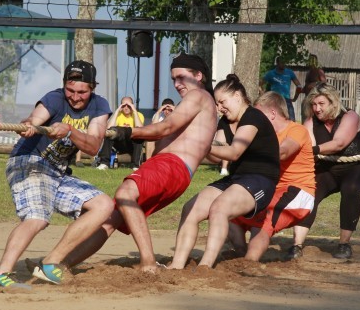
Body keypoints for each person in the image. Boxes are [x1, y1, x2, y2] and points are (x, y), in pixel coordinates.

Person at [26, 52, 218, 279]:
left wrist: (127, 132)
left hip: (172, 165)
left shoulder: (198, 95)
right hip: (172, 171)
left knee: (125, 193)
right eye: (173, 79)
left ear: (198, 76)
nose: (176, 84)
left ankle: (149, 263)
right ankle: (61, 265)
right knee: (111, 219)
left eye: (181, 77)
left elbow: (164, 128)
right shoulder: (200, 103)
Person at [0, 60, 115, 291]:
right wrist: (30, 125)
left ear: (93, 88)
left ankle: (50, 262)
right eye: (70, 90)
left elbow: (94, 146)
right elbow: (35, 119)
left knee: (104, 206)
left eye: (82, 92)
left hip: (57, 172)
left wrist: (70, 131)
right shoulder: (54, 98)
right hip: (30, 162)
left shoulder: (99, 106)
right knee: (37, 217)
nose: (75, 97)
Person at [169, 74, 280, 269]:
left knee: (219, 208)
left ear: (237, 96)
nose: (219, 108)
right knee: (190, 208)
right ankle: (177, 265)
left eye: (222, 102)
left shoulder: (253, 117)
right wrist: (192, 143)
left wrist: (203, 145)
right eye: (217, 104)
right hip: (236, 179)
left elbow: (234, 152)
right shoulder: (225, 122)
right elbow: (217, 154)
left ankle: (205, 266)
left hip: (261, 180)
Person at [227, 91, 316, 261]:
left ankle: (249, 262)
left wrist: (250, 151)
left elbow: (283, 152)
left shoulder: (297, 130)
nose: (256, 120)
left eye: (259, 115)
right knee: (231, 213)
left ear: (273, 113)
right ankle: (240, 256)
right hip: (272, 190)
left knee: (264, 222)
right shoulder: (265, 135)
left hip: (298, 191)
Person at [296, 83, 360, 260]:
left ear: (333, 102)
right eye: (314, 104)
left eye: (321, 104)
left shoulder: (350, 117)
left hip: (356, 168)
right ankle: (296, 244)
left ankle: (344, 244)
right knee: (308, 192)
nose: (317, 109)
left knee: (351, 189)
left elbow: (339, 143)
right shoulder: (310, 122)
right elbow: (309, 146)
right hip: (327, 169)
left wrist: (313, 150)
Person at [96, 96, 144, 170]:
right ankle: (104, 163)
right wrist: (117, 111)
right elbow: (109, 128)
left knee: (139, 136)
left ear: (132, 105)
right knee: (110, 133)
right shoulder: (118, 115)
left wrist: (134, 110)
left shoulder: (138, 115)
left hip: (132, 144)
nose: (126, 108)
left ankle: (136, 166)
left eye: (129, 105)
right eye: (124, 105)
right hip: (118, 144)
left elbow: (140, 128)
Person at [262, 57, 302, 121]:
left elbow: (299, 86)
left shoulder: (289, 72)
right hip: (275, 99)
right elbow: (260, 84)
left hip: (286, 100)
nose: (284, 64)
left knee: (292, 120)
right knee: (273, 119)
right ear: (277, 63)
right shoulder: (270, 74)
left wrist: (295, 98)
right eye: (282, 62)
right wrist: (263, 95)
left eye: (284, 62)